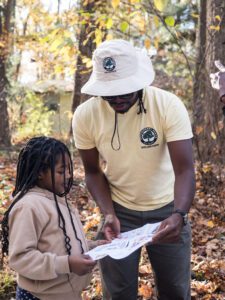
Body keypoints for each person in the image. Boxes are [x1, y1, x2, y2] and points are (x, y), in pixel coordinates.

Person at [72, 39, 195, 300]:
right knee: (119, 294)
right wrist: (107, 213)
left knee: (174, 290)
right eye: (109, 93)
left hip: (167, 209)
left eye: (124, 91)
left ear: (139, 83)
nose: (117, 99)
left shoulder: (168, 105)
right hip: (120, 212)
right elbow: (93, 172)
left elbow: (184, 169)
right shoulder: (85, 115)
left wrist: (179, 215)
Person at [0, 136, 107, 300]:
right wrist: (68, 264)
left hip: (66, 294)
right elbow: (20, 258)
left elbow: (58, 244)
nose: (69, 175)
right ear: (40, 173)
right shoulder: (28, 207)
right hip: (40, 296)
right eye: (61, 171)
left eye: (69, 170)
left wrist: (91, 246)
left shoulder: (57, 200)